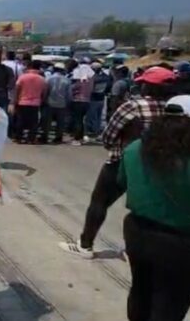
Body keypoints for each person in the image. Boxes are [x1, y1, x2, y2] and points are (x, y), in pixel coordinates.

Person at [59, 66, 176, 259]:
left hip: (122, 161)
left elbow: (109, 134)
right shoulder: (173, 109)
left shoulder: (133, 105)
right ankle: (134, 250)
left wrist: (113, 147)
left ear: (147, 86)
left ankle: (85, 245)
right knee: (143, 209)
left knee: (99, 203)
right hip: (156, 165)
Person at [119, 94, 190, 321]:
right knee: (170, 305)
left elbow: (121, 181)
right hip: (183, 243)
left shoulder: (135, 148)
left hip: (137, 232)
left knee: (140, 292)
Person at [12, 60, 46, 143]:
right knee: (34, 122)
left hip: (22, 102)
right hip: (35, 103)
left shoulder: (23, 77)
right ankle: (31, 138)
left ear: (29, 67)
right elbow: (44, 92)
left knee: (20, 120)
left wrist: (14, 101)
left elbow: (17, 89)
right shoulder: (42, 79)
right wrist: (42, 101)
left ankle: (18, 138)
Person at [41, 62, 71, 144]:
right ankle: (58, 138)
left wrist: (43, 101)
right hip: (62, 104)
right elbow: (69, 94)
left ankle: (45, 137)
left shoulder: (48, 79)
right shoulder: (67, 80)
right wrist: (68, 104)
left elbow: (45, 92)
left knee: (47, 122)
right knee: (60, 122)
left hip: (49, 103)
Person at [69, 60, 94, 146]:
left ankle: (77, 139)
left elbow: (73, 88)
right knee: (82, 120)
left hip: (77, 101)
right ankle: (81, 137)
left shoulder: (79, 80)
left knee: (78, 120)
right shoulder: (90, 80)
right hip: (87, 101)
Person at [87, 62, 111, 139]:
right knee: (99, 116)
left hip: (93, 98)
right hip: (102, 98)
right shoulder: (106, 77)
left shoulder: (93, 77)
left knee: (92, 116)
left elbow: (90, 88)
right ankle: (97, 130)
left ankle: (94, 131)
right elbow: (108, 87)